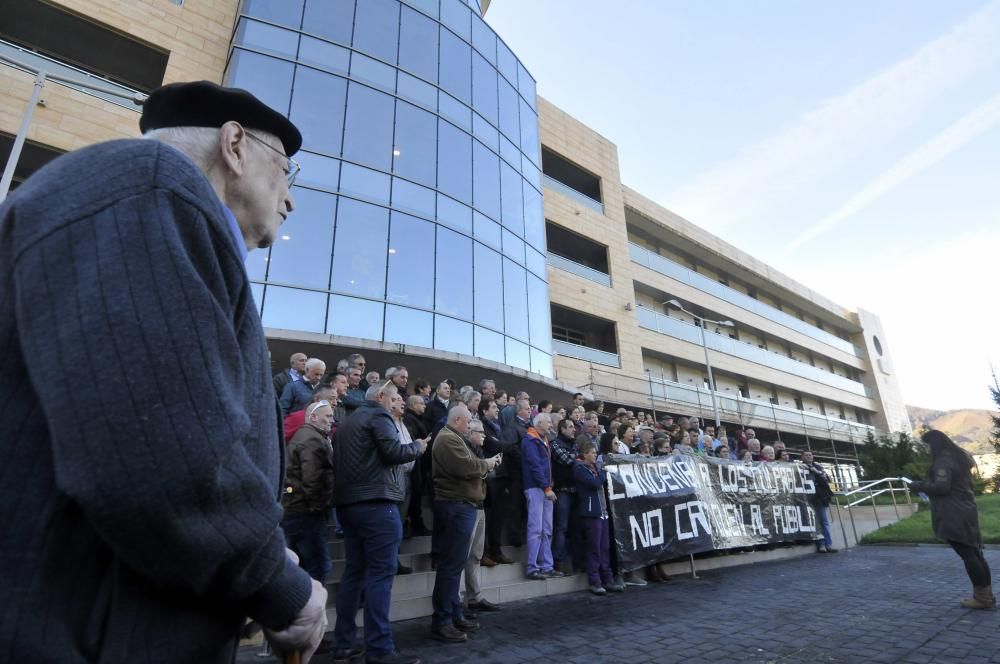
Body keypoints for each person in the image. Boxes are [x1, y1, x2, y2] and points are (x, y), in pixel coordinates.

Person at [0, 80, 329, 662]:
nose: (291, 198)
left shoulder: (157, 205)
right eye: (285, 172)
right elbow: (160, 456)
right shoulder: (151, 185)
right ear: (234, 145)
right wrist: (277, 584)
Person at [332, 381, 426, 664]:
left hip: (349, 506)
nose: (397, 404)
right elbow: (395, 453)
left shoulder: (348, 421)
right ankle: (380, 650)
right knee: (380, 575)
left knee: (354, 574)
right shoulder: (378, 415)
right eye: (395, 398)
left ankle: (344, 644)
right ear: (381, 397)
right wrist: (417, 446)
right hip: (377, 505)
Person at [429, 405, 501, 643]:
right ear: (458, 419)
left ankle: (454, 613)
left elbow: (470, 467)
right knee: (451, 566)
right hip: (455, 506)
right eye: (469, 420)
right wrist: (488, 464)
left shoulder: (455, 438)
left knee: (455, 564)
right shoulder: (448, 439)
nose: (471, 425)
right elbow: (468, 467)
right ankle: (443, 621)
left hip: (462, 506)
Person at [909, 430, 994, 609]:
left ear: (935, 444)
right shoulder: (958, 458)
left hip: (953, 511)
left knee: (968, 554)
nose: (926, 449)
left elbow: (942, 487)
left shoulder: (943, 461)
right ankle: (986, 596)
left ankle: (982, 599)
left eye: (927, 445)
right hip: (966, 508)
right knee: (974, 553)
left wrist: (919, 486)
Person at [282, 401, 336, 583]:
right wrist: (319, 507)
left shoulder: (305, 436)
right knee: (318, 568)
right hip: (306, 513)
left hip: (295, 509)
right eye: (328, 416)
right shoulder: (312, 439)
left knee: (301, 567)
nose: (332, 420)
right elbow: (312, 479)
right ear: (313, 417)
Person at [461, 419, 503, 615]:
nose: (484, 435)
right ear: (470, 432)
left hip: (479, 504)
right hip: (466, 505)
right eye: (481, 432)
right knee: (463, 554)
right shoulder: (463, 449)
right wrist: (486, 466)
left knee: (476, 554)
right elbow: (469, 472)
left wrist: (490, 466)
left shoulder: (479, 451)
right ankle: (460, 599)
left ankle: (475, 596)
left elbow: (486, 475)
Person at [575, 441, 621, 595]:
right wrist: (602, 473)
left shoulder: (594, 469)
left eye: (595, 453)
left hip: (602, 512)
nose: (595, 455)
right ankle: (595, 581)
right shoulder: (579, 468)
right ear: (585, 454)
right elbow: (594, 484)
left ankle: (607, 579)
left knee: (604, 547)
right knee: (593, 547)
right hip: (591, 513)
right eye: (592, 453)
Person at [521, 413, 562, 580]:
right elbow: (535, 466)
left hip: (544, 488)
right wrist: (546, 487)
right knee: (536, 529)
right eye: (548, 422)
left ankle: (546, 565)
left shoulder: (541, 440)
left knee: (546, 529)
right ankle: (532, 567)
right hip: (537, 488)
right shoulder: (530, 441)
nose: (551, 425)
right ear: (539, 423)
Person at [479, 397, 513, 565]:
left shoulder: (498, 427)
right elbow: (495, 446)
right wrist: (503, 444)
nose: (497, 409)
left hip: (501, 476)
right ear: (484, 411)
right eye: (493, 407)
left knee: (498, 518)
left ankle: (496, 550)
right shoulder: (482, 426)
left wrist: (502, 444)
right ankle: (483, 552)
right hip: (490, 477)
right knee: (488, 517)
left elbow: (503, 445)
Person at [550, 418, 579, 572]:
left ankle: (574, 561)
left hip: (575, 491)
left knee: (574, 528)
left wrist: (577, 456)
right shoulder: (555, 444)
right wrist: (578, 457)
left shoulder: (574, 444)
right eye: (570, 427)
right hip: (562, 492)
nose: (574, 429)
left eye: (574, 427)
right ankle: (558, 561)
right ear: (562, 429)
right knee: (561, 527)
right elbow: (567, 460)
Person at [800, 451, 836, 554]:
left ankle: (828, 544)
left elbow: (828, 479)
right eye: (806, 455)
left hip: (820, 497)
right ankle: (821, 544)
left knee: (824, 521)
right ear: (802, 457)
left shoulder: (818, 467)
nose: (808, 457)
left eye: (810, 455)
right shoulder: (800, 467)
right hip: (808, 498)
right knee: (816, 521)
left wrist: (817, 472)